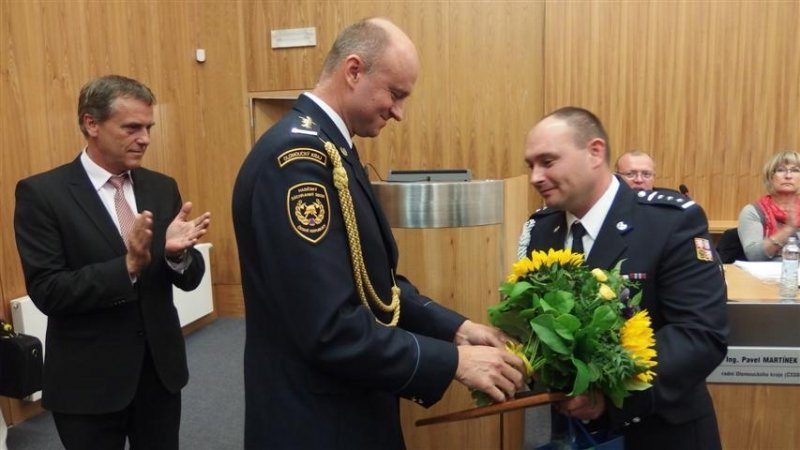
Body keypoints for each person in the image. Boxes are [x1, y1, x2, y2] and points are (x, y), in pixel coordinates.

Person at [232, 17, 525, 450]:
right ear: (353, 71)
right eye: (396, 93)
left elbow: (373, 286)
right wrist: (454, 362)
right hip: (316, 421)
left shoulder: (332, 149)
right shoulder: (298, 163)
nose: (399, 112)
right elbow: (331, 327)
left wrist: (456, 328)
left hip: (348, 405)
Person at [14, 75, 211, 450]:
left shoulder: (160, 187)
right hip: (88, 384)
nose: (145, 138)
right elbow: (48, 290)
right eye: (132, 127)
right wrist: (128, 266)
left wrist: (177, 255)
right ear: (91, 124)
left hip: (159, 375)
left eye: (149, 127)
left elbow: (189, 279)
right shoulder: (43, 194)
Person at [519, 107, 728, 450]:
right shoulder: (542, 229)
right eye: (531, 165)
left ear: (595, 152)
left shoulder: (669, 222)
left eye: (548, 161)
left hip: (659, 429)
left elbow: (700, 334)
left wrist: (609, 395)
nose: (535, 176)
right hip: (569, 430)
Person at [737, 151, 800, 261]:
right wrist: (787, 230)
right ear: (770, 177)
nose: (788, 176)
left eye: (795, 170)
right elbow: (754, 255)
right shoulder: (753, 211)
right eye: (781, 170)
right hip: (764, 276)